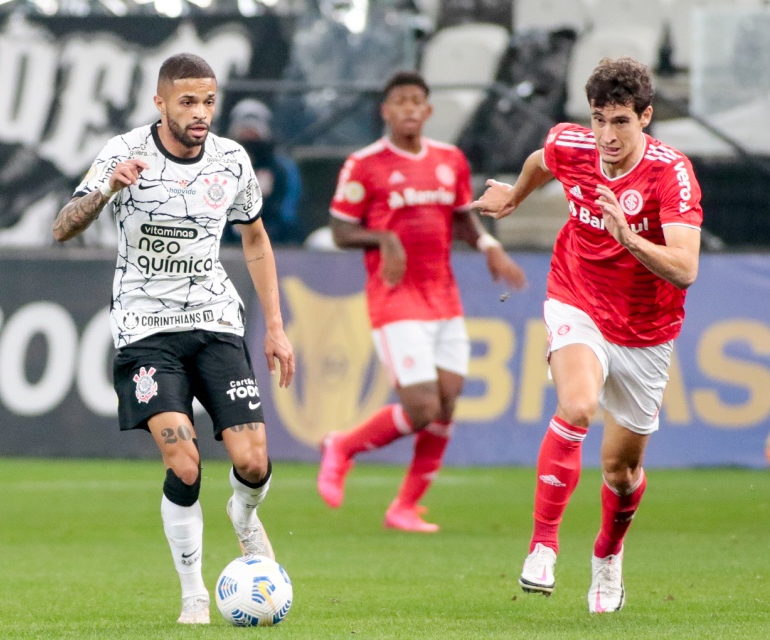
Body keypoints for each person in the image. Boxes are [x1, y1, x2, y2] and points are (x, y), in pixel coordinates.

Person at [52, 53, 295, 625]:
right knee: (184, 461)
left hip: (215, 322)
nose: (201, 113)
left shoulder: (232, 161)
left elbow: (256, 241)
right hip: (145, 331)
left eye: (209, 101)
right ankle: (193, 596)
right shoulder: (122, 152)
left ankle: (243, 515)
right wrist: (107, 190)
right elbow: (62, 226)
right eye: (187, 101)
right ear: (159, 102)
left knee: (253, 461)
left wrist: (276, 328)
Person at [471, 57, 703, 613]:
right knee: (576, 406)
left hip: (647, 330)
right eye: (599, 119)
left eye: (620, 121)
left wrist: (628, 238)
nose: (607, 136)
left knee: (622, 473)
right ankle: (543, 545)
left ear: (645, 117)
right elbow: (541, 158)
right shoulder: (574, 145)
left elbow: (686, 267)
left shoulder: (670, 175)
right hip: (577, 297)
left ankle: (606, 556)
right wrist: (515, 197)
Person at [316, 70, 527, 533]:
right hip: (395, 298)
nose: (409, 109)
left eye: (417, 101)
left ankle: (404, 507)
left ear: (428, 110)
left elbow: (463, 223)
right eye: (400, 101)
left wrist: (491, 249)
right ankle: (343, 446)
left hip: (443, 296)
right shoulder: (364, 164)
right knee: (422, 409)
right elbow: (340, 230)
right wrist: (384, 238)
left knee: (447, 403)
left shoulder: (450, 160)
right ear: (385, 110)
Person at [224, 98, 304, 245]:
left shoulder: (282, 167)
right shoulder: (219, 164)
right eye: (244, 129)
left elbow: (288, 210)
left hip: (271, 234)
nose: (248, 134)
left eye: (254, 130)